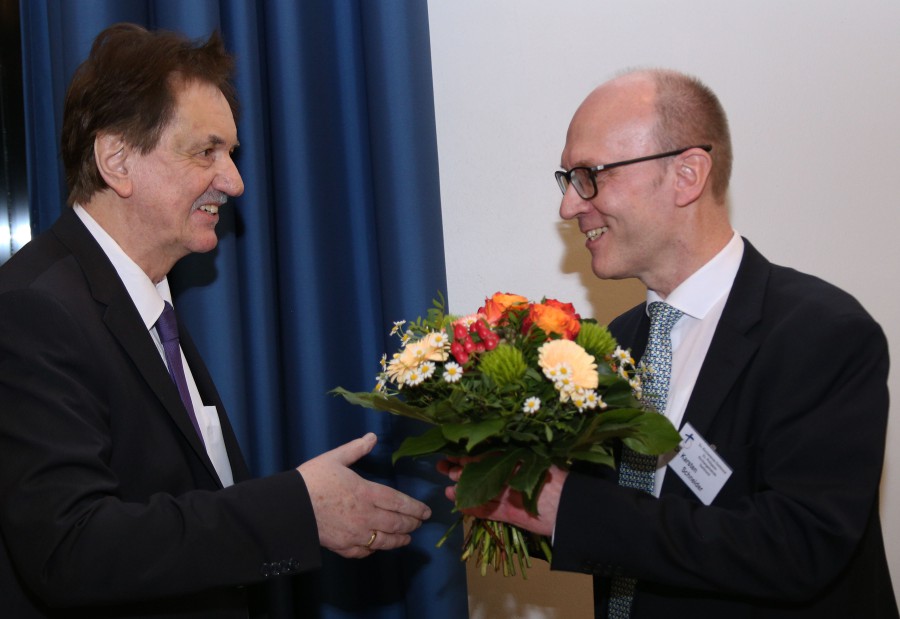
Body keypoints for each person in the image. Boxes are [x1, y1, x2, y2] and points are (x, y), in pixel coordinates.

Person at [0, 23, 431, 619]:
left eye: (231, 154)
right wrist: (295, 510)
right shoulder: (33, 308)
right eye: (207, 152)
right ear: (116, 159)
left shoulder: (143, 298)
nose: (234, 181)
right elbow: (71, 550)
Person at [440, 68, 898, 618]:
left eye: (591, 175)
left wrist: (571, 510)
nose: (569, 207)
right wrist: (505, 490)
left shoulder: (821, 334)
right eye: (568, 178)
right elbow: (620, 529)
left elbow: (799, 546)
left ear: (687, 175)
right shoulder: (611, 346)